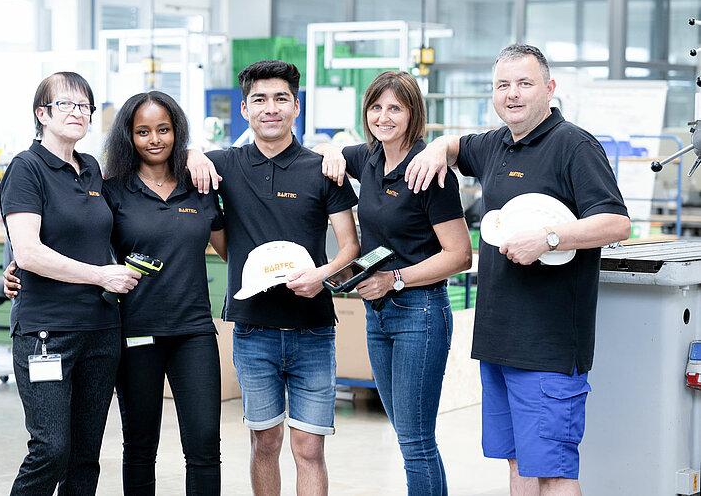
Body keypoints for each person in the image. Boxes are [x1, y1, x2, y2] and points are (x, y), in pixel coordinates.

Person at [399, 44, 631, 495]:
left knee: (554, 472)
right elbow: (456, 145)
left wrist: (548, 238)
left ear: (550, 88)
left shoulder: (574, 146)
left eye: (525, 83)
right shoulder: (495, 144)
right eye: (503, 85)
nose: (513, 94)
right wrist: (437, 151)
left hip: (548, 347)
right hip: (499, 341)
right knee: (518, 465)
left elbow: (616, 222)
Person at [5, 90, 228, 495]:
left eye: (164, 129)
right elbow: (66, 226)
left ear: (178, 132)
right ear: (128, 136)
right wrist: (16, 261)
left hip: (192, 330)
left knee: (204, 447)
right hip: (132, 330)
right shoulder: (111, 186)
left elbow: (231, 247)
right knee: (137, 447)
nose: (155, 139)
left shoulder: (198, 185)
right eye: (143, 131)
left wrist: (198, 153)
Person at [187, 60, 360, 495]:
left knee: (309, 449)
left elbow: (350, 248)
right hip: (252, 329)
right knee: (265, 443)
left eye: (281, 98)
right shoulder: (223, 165)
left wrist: (321, 276)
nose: (271, 108)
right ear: (244, 108)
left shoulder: (322, 169)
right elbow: (181, 171)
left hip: (313, 331)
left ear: (295, 106)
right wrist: (191, 152)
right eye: (259, 100)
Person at [315, 71, 472, 495]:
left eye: (395, 108)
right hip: (377, 315)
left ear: (413, 113)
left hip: (419, 313)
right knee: (408, 437)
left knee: (416, 441)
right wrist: (330, 149)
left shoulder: (430, 172)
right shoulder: (367, 158)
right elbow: (322, 153)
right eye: (376, 107)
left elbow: (460, 255)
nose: (383, 117)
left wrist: (394, 280)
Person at [0, 72, 141, 495]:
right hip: (48, 332)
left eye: (85, 106)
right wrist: (102, 275)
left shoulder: (92, 168)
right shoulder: (27, 168)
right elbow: (28, 252)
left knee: (84, 456)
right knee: (51, 449)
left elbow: (90, 234)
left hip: (100, 330)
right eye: (67, 104)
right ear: (42, 114)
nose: (78, 113)